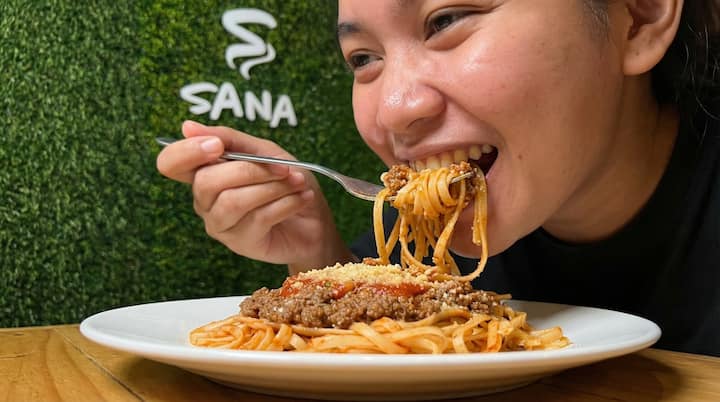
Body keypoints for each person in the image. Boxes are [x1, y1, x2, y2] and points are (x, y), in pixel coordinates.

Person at [157, 0, 720, 356]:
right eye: (363, 59)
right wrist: (318, 258)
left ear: (639, 17)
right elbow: (389, 352)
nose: (395, 109)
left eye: (445, 21)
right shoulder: (421, 260)